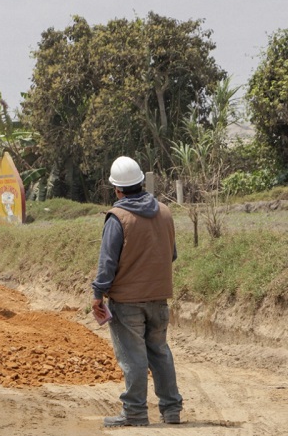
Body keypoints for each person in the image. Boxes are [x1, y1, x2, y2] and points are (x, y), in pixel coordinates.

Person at [91, 156, 183, 427]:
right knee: (159, 352)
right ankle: (172, 410)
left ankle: (134, 412)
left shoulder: (117, 218)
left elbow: (107, 262)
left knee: (133, 357)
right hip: (159, 299)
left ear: (117, 189)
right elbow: (171, 255)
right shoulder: (165, 212)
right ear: (142, 183)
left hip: (127, 302)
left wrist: (98, 293)